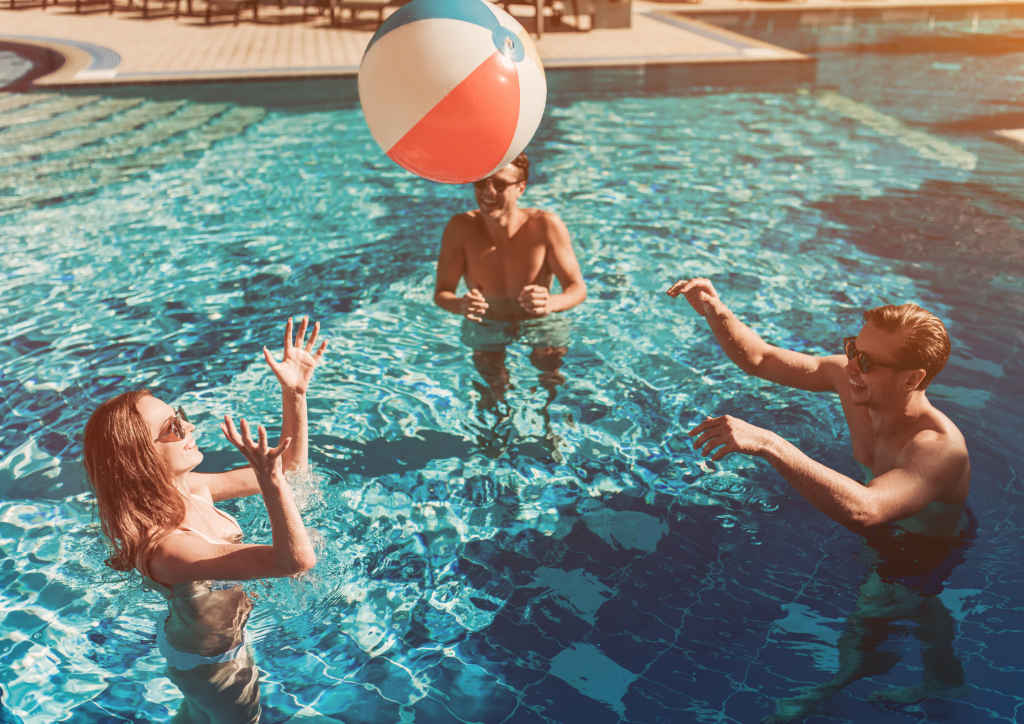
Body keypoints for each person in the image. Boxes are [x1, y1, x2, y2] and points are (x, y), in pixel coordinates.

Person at [666, 278, 973, 722]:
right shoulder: (855, 383)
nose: (850, 365)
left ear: (913, 378)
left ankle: (830, 691)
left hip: (917, 549)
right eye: (852, 347)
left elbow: (867, 510)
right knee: (920, 604)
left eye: (866, 360)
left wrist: (771, 443)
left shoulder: (937, 448)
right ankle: (947, 677)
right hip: (897, 519)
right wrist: (715, 310)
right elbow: (762, 358)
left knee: (868, 621)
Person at [83, 316, 327, 724]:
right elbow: (295, 562)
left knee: (197, 718)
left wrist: (295, 393)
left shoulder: (191, 486)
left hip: (203, 642)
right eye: (173, 427)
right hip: (212, 663)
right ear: (140, 457)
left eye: (180, 415)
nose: (189, 426)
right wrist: (269, 481)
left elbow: (293, 469)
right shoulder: (169, 546)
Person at [434, 152, 586, 412]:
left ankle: (555, 434)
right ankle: (494, 441)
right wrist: (461, 305)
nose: (488, 192)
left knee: (552, 381)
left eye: (500, 184)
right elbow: (442, 293)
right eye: (481, 183)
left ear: (520, 189)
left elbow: (577, 287)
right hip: (487, 322)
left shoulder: (546, 226)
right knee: (491, 390)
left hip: (539, 319)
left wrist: (551, 302)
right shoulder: (461, 228)